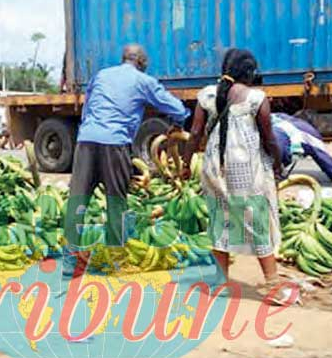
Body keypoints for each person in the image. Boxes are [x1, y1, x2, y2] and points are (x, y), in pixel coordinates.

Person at [64, 44, 190, 278]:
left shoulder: (101, 75)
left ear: (124, 59)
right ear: (142, 63)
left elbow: (87, 109)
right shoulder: (143, 81)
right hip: (115, 143)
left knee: (78, 200)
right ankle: (117, 262)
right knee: (116, 202)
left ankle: (69, 261)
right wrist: (179, 123)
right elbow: (176, 108)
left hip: (86, 140)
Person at [191, 48, 283, 281]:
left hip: (215, 167)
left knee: (220, 222)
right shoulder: (256, 98)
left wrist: (184, 163)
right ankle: (272, 282)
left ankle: (220, 282)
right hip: (247, 169)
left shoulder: (207, 96)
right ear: (249, 73)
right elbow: (269, 137)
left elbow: (194, 133)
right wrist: (277, 162)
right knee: (256, 219)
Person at [271, 113, 332, 209]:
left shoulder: (279, 117)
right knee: (270, 188)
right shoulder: (309, 132)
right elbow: (328, 164)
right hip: (275, 151)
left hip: (260, 145)